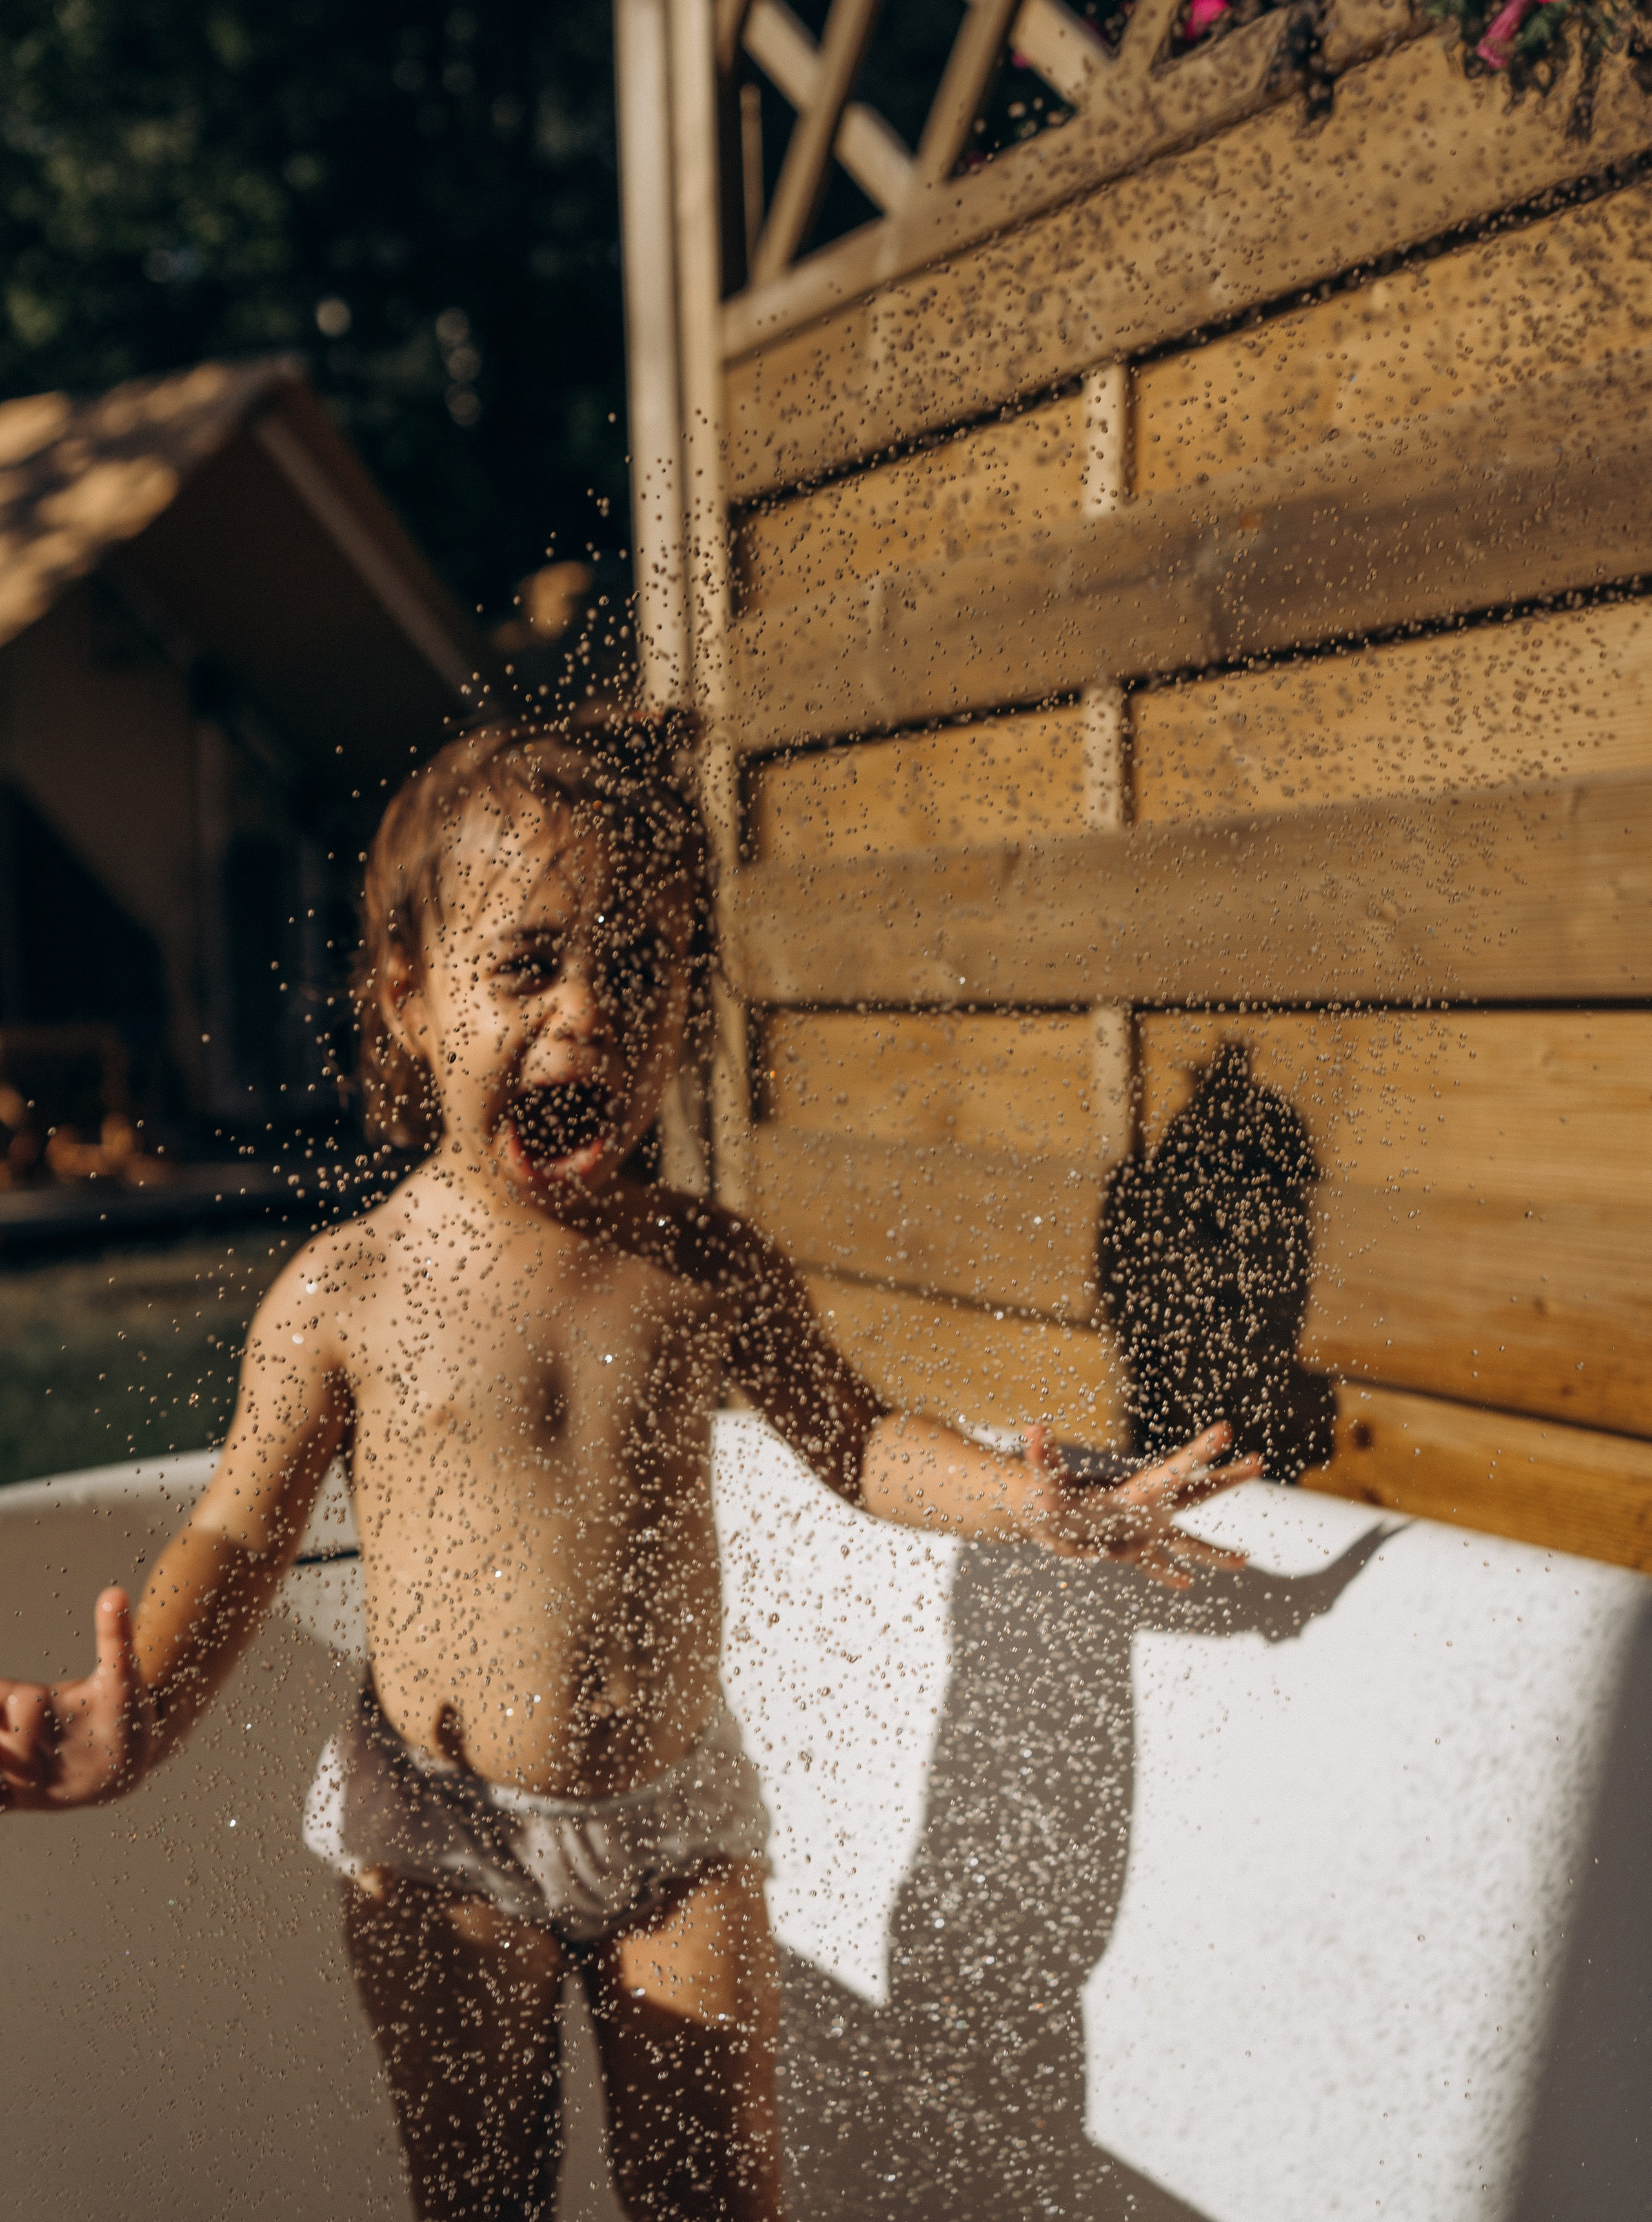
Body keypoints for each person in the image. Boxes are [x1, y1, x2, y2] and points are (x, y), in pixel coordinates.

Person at [0, 715, 1260, 2222]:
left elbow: (853, 1442)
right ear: (409, 1002)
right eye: (529, 962)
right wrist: (131, 1705)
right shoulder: (346, 1293)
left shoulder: (704, 1268)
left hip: (671, 1833)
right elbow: (234, 1534)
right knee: (480, 2199)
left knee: (718, 2197)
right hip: (443, 1834)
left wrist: (1035, 1501)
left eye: (640, 964)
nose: (590, 1009)